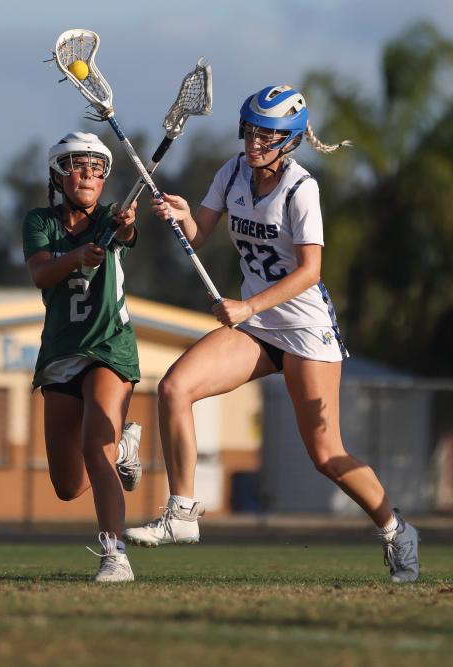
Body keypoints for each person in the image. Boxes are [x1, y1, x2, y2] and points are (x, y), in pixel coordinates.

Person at [123, 86, 420, 583]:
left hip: (304, 329)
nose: (256, 141)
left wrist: (248, 305)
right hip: (258, 328)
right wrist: (182, 216)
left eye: (268, 134)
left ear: (291, 141)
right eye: (252, 130)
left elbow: (309, 271)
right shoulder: (231, 171)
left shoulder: (302, 189)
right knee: (175, 388)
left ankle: (395, 529)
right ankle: (183, 513)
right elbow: (200, 232)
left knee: (326, 455)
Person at [22, 131, 143, 583]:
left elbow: (127, 230)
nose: (88, 175)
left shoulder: (111, 217)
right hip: (60, 353)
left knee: (96, 444)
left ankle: (115, 556)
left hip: (110, 345)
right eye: (78, 166)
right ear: (58, 173)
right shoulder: (40, 221)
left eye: (96, 168)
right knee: (67, 486)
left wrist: (125, 224)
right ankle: (124, 443)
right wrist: (75, 257)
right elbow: (39, 273)